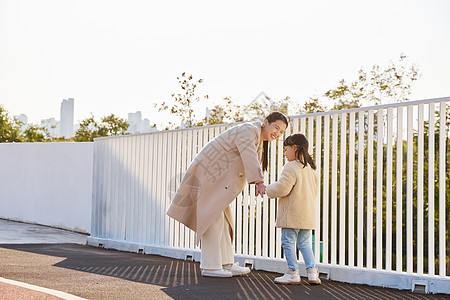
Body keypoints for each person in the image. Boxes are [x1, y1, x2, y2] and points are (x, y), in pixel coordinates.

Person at [166, 111, 289, 278]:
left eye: (281, 132)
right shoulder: (249, 130)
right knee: (213, 218)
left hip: (215, 178)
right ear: (265, 122)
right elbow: (248, 155)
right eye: (276, 127)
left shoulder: (257, 138)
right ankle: (210, 266)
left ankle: (226, 263)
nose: (277, 133)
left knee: (223, 221)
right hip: (209, 175)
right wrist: (259, 182)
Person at [263, 133, 321, 285]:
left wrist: (267, 189)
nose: (284, 153)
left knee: (288, 241)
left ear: (294, 148)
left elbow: (283, 188)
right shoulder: (311, 169)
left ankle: (292, 272)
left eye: (286, 149)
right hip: (307, 214)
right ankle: (312, 272)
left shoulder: (291, 167)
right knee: (305, 243)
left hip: (292, 214)